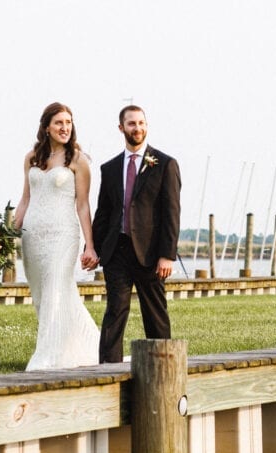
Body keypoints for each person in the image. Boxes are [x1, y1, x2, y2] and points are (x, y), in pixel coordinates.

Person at [14, 102, 100, 370]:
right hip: (32, 237)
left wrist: (90, 246)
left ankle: (46, 359)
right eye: (59, 123)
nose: (65, 128)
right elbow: (25, 199)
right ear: (46, 127)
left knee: (54, 289)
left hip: (63, 235)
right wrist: (2, 235)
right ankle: (76, 349)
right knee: (43, 295)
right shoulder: (31, 158)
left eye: (68, 123)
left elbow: (83, 205)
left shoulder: (77, 160)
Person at [92, 105, 182, 363]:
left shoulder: (165, 164)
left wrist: (167, 255)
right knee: (115, 312)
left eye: (141, 123)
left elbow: (171, 213)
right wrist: (96, 250)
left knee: (155, 312)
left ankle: (164, 366)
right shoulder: (109, 168)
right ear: (121, 128)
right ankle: (107, 370)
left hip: (151, 254)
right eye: (131, 124)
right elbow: (103, 213)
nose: (137, 128)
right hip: (117, 251)